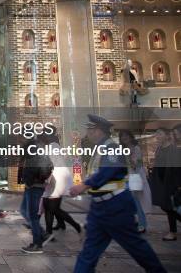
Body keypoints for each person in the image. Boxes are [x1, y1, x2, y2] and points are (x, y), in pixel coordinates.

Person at [69, 115, 165, 273]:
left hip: (116, 208)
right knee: (88, 252)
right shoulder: (99, 149)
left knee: (136, 248)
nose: (87, 133)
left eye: (90, 130)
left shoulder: (112, 148)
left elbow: (107, 171)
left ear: (99, 131)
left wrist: (84, 185)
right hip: (100, 208)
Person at [42, 128, 81, 237]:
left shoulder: (53, 146)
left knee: (52, 207)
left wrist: (48, 179)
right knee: (52, 206)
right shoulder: (52, 145)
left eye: (45, 133)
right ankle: (60, 224)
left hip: (57, 178)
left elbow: (54, 163)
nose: (44, 135)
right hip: (56, 177)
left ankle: (76, 226)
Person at [20, 136, 54, 254]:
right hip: (31, 186)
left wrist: (33, 180)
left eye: (21, 136)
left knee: (33, 216)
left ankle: (37, 244)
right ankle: (42, 234)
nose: (20, 139)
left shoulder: (34, 148)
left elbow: (40, 167)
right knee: (24, 210)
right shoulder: (31, 147)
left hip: (35, 186)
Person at [149, 127, 181, 241]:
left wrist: (177, 186)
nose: (157, 136)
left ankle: (172, 232)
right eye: (156, 134)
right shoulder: (159, 149)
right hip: (161, 183)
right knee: (167, 207)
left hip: (171, 183)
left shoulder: (173, 149)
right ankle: (172, 232)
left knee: (170, 207)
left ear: (167, 136)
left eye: (160, 134)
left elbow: (177, 170)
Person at [118, 129, 150, 234]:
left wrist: (131, 158)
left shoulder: (136, 148)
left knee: (137, 202)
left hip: (134, 178)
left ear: (131, 137)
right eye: (122, 137)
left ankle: (142, 224)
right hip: (125, 178)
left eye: (126, 136)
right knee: (127, 202)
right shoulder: (122, 149)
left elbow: (138, 165)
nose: (124, 138)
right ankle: (133, 222)